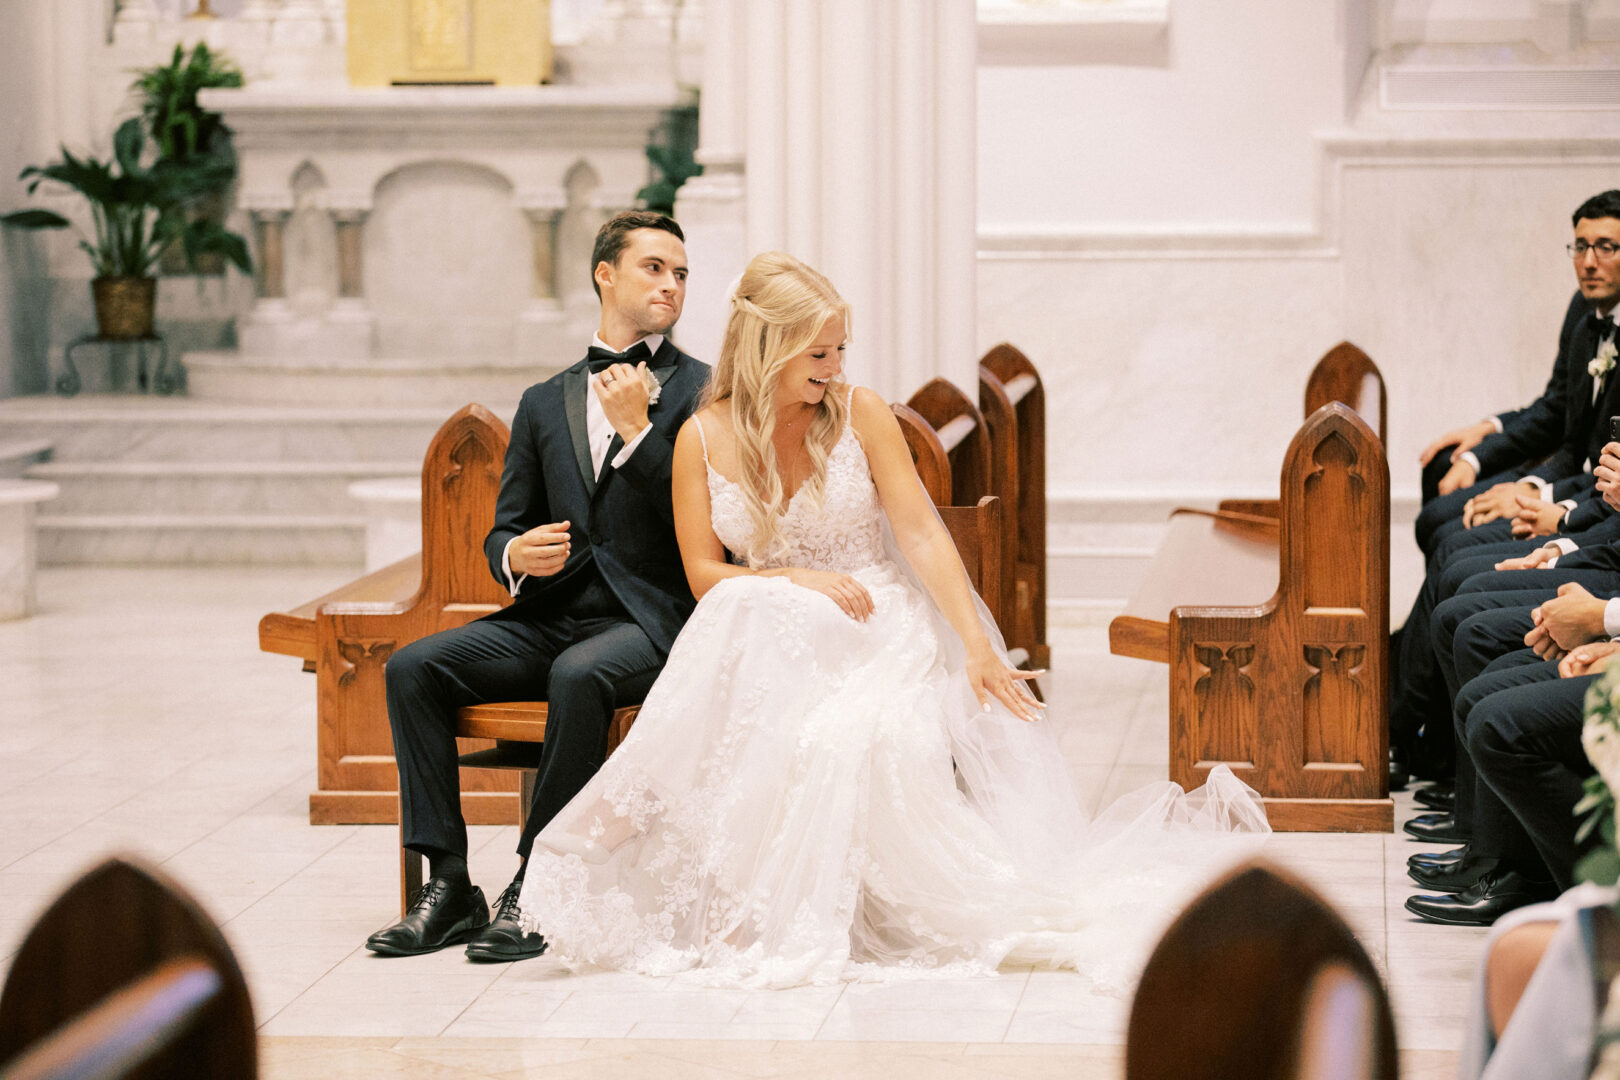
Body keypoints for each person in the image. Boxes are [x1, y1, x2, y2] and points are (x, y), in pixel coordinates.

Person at [514, 252, 1268, 990]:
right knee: (742, 604)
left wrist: (977, 647)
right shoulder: (701, 438)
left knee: (831, 728)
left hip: (874, 623)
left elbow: (919, 533)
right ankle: (698, 883)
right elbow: (705, 575)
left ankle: (736, 889)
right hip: (777, 627)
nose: (836, 366)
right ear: (769, 346)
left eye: (842, 348)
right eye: (819, 351)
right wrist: (797, 579)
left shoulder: (861, 414)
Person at [364, 211, 710, 961]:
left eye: (681, 273)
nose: (672, 285)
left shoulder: (703, 394)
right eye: (654, 267)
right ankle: (450, 882)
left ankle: (538, 882)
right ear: (604, 274)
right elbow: (501, 530)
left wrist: (637, 433)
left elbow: (704, 519)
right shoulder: (544, 400)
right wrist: (516, 552)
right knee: (413, 668)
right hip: (552, 614)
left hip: (650, 620)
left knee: (577, 676)